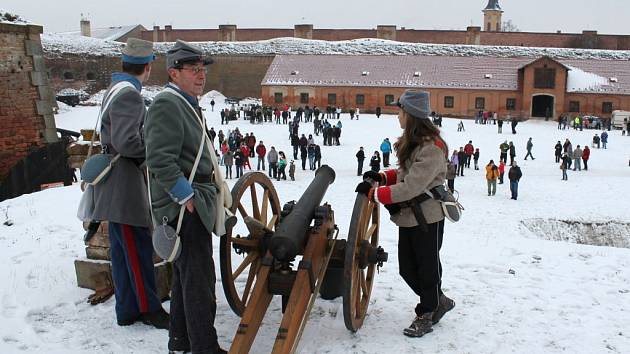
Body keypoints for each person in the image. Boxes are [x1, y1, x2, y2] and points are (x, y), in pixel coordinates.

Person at [144, 40, 226, 353]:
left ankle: (179, 340)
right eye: (193, 70)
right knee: (199, 282)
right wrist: (185, 196)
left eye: (202, 69)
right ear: (174, 73)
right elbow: (159, 159)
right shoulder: (168, 103)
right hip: (185, 206)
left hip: (194, 200)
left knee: (184, 277)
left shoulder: (185, 101)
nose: (201, 75)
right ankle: (205, 347)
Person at [354, 90, 454, 338]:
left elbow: (411, 186)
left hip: (428, 217)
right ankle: (439, 301)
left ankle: (427, 313)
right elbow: (404, 174)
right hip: (411, 216)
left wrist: (375, 194)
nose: (397, 116)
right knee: (407, 269)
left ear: (411, 115)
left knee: (427, 268)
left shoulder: (432, 148)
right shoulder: (415, 143)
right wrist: (381, 177)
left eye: (400, 111)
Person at [90, 38, 169, 328]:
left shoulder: (116, 88)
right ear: (147, 67)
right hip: (125, 182)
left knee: (123, 251)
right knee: (137, 248)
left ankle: (126, 309)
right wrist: (153, 154)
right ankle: (149, 308)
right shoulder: (130, 95)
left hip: (114, 182)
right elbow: (126, 141)